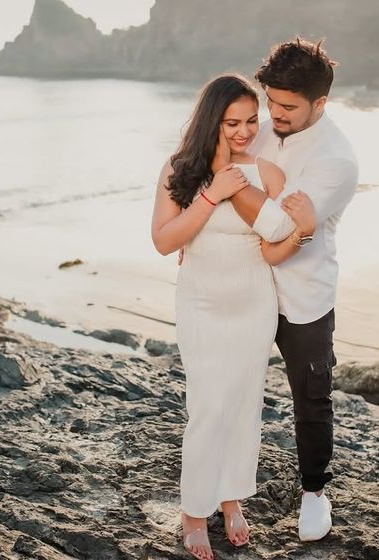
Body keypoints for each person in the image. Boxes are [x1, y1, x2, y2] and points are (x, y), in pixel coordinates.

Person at [151, 74, 316, 560]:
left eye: (251, 120)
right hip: (200, 303)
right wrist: (213, 192)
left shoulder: (266, 172)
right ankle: (194, 511)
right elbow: (164, 241)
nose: (245, 131)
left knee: (244, 406)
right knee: (207, 406)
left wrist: (301, 234)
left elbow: (272, 248)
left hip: (253, 303)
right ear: (211, 121)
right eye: (232, 123)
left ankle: (230, 500)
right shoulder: (179, 169)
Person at [213, 38, 358, 543]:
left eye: (288, 106)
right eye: (270, 100)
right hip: (244, 280)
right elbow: (217, 183)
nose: (274, 114)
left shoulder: (337, 160)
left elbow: (279, 232)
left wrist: (228, 184)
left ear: (321, 103)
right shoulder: (263, 128)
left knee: (311, 395)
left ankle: (315, 492)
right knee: (230, 386)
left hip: (303, 293)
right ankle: (222, 488)